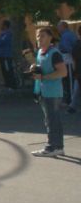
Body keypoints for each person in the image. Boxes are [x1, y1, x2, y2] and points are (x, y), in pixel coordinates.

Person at [30, 27, 67, 157]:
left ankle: (51, 147)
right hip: (43, 91)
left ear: (50, 37)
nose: (39, 38)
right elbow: (42, 68)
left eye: (43, 35)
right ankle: (58, 147)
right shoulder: (40, 52)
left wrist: (44, 77)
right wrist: (34, 68)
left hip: (53, 92)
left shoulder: (54, 53)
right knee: (51, 119)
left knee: (52, 120)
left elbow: (63, 72)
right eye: (38, 36)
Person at [56, 21, 77, 107]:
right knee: (68, 80)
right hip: (68, 59)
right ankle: (70, 99)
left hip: (68, 60)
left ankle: (71, 100)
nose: (58, 29)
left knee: (69, 81)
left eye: (59, 27)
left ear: (63, 27)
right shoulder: (69, 34)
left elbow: (68, 48)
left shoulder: (66, 35)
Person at [0, 20, 16, 89]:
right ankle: (7, 84)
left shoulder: (7, 33)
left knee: (7, 70)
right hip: (2, 55)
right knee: (4, 70)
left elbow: (1, 41)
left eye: (2, 25)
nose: (0, 26)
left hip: (6, 55)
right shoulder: (3, 33)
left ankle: (11, 85)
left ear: (5, 26)